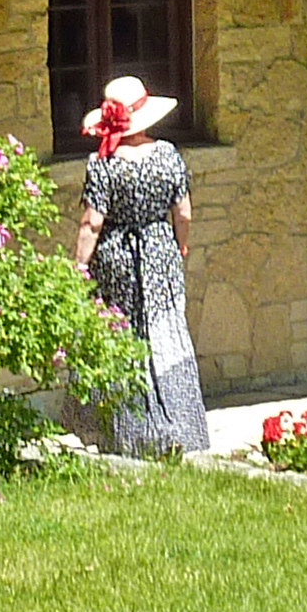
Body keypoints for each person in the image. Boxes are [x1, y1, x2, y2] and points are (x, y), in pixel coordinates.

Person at [70, 75, 210, 456]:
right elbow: (183, 211)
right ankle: (181, 427)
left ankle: (128, 432)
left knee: (121, 335)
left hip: (116, 257)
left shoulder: (103, 163)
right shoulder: (167, 154)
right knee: (166, 333)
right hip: (160, 249)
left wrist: (78, 269)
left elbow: (92, 223)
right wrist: (179, 244)